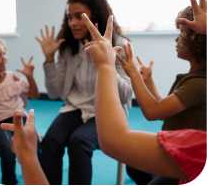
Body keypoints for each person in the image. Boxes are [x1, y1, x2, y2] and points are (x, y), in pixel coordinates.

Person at [81, 13, 206, 184]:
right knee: (134, 166)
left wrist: (106, 66)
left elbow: (152, 111)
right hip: (180, 153)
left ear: (199, 42)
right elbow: (164, 109)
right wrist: (147, 80)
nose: (177, 40)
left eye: (182, 34)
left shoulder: (198, 85)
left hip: (183, 162)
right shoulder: (191, 79)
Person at [35, 0, 132, 184]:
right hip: (75, 107)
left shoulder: (120, 44)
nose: (72, 23)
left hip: (108, 112)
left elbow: (125, 94)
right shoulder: (68, 48)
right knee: (50, 142)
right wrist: (48, 59)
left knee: (79, 142)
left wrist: (105, 64)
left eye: (79, 16)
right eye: (69, 17)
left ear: (96, 15)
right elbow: (54, 93)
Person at [0, 37, 39, 184]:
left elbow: (34, 95)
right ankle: (9, 181)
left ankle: (37, 177)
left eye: (4, 54)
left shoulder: (14, 77)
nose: (4, 58)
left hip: (19, 117)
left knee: (34, 145)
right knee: (8, 150)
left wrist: (30, 77)